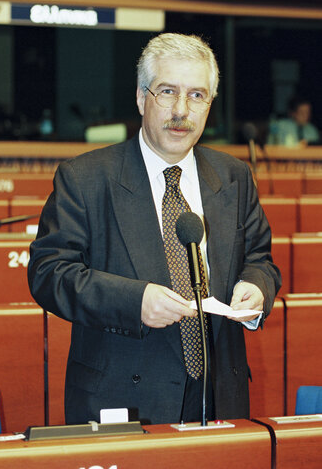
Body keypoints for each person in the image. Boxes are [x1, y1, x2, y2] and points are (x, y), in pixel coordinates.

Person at [28, 33, 281, 425]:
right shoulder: (86, 178)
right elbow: (49, 274)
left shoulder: (234, 177)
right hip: (123, 398)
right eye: (167, 91)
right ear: (141, 97)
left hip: (220, 400)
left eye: (197, 95)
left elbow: (260, 260)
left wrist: (256, 288)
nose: (182, 110)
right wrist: (135, 302)